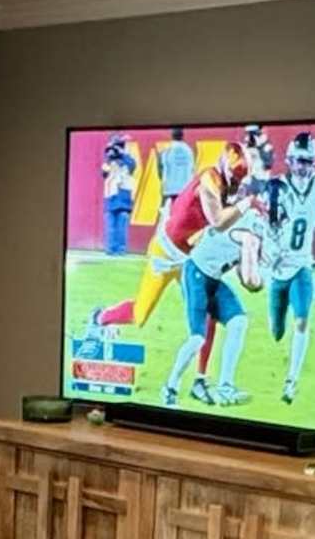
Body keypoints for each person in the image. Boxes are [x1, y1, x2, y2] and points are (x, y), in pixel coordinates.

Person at [84, 137, 245, 402]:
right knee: (140, 314)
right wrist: (244, 207)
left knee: (208, 313)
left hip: (188, 260)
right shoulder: (209, 179)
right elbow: (217, 221)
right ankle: (100, 317)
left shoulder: (223, 186)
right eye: (234, 180)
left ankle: (200, 380)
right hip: (165, 254)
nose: (235, 186)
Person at [271, 130, 315, 404]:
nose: (303, 166)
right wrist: (270, 253)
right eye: (299, 161)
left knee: (301, 320)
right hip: (279, 269)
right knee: (277, 328)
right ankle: (277, 325)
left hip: (302, 266)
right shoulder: (278, 186)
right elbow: (270, 227)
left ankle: (291, 381)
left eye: (308, 161)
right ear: (289, 160)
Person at [99, 137, 136, 255]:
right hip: (111, 196)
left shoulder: (128, 160)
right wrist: (110, 156)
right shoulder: (108, 161)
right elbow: (104, 173)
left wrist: (122, 155)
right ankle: (110, 249)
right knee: (110, 225)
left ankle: (121, 249)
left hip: (123, 197)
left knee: (122, 225)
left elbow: (132, 166)